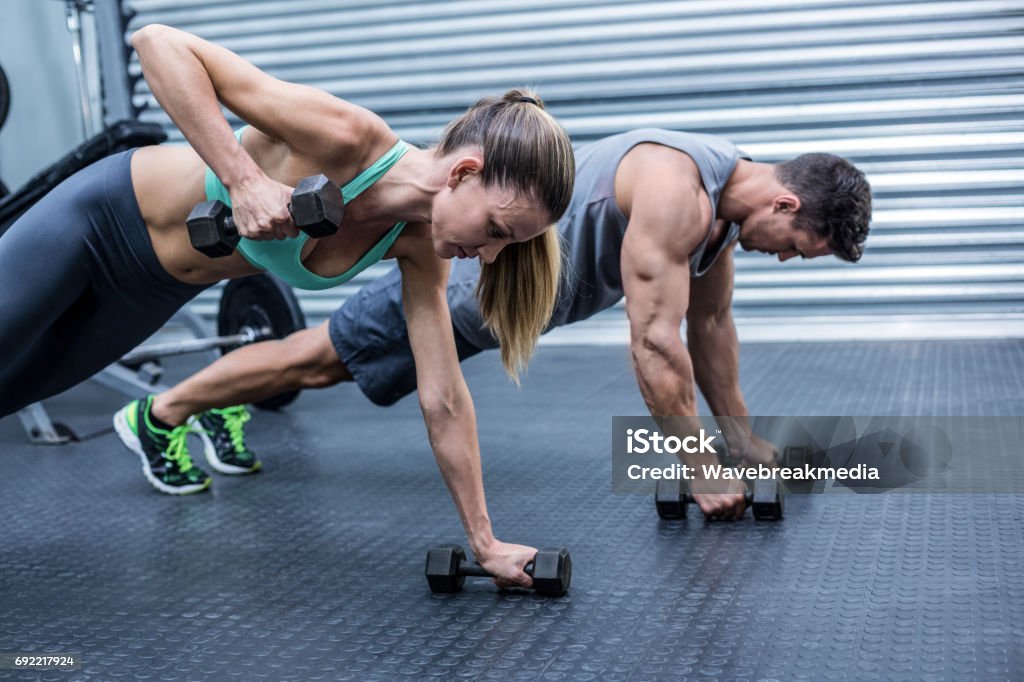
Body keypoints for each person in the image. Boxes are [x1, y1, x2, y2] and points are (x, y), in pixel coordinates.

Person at [0, 25, 576, 588]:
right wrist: (241, 178)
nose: (493, 255)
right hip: (96, 222)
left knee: (14, 390)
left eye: (509, 243)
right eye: (497, 229)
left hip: (152, 290)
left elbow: (444, 396)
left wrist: (485, 542)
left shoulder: (419, 247)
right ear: (464, 171)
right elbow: (157, 42)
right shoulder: (344, 137)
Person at [131, 128, 872, 520]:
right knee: (321, 360)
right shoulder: (680, 188)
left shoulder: (720, 219)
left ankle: (207, 410)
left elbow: (711, 333)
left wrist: (740, 441)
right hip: (470, 287)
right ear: (787, 206)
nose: (788, 262)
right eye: (802, 250)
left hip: (509, 307)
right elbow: (654, 342)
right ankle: (162, 412)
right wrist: (698, 466)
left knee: (324, 362)